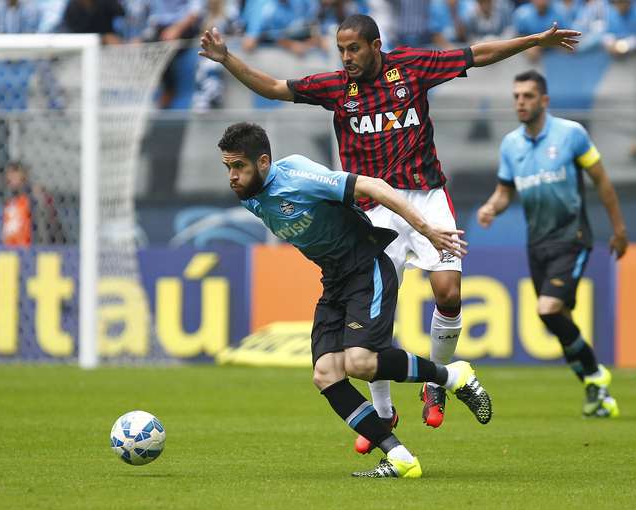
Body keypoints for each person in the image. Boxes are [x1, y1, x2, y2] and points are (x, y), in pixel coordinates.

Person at [199, 14, 580, 447]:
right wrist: (227, 58)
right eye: (341, 50)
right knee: (373, 312)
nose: (346, 58)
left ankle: (436, 383)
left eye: (354, 49)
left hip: (425, 194)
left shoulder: (412, 67)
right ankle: (383, 415)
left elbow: (478, 54)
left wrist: (535, 40)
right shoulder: (338, 88)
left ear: (375, 45)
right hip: (373, 206)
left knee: (449, 292)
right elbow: (275, 88)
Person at [218, 121, 492, 478]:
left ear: (265, 162)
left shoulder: (297, 176)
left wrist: (426, 230)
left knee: (360, 361)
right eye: (228, 168)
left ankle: (450, 375)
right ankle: (399, 458)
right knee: (326, 373)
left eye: (239, 166)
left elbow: (374, 186)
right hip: (335, 281)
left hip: (367, 266)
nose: (232, 176)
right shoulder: (252, 199)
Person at [477, 70, 626, 418]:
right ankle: (594, 386)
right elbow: (504, 192)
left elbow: (602, 181)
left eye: (528, 96)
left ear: (543, 100)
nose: (520, 102)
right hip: (537, 243)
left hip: (571, 237)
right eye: (516, 96)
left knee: (547, 309)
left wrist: (618, 229)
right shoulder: (511, 144)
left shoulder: (571, 134)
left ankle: (593, 374)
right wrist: (490, 208)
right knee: (555, 318)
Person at [2, 160, 65, 246]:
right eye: (10, 174)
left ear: (23, 175)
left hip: (35, 243)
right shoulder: (9, 197)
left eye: (15, 173)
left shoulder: (34, 195)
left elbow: (44, 224)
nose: (12, 177)